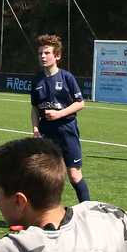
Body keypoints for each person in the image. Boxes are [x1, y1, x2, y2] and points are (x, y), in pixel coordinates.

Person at [31, 34, 91, 203]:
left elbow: (80, 103)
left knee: (74, 175)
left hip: (67, 132)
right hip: (46, 134)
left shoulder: (67, 77)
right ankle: (47, 213)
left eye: (47, 53)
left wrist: (59, 114)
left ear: (57, 56)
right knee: (47, 177)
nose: (43, 56)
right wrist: (35, 128)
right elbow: (34, 108)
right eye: (40, 53)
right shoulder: (37, 80)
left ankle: (87, 210)